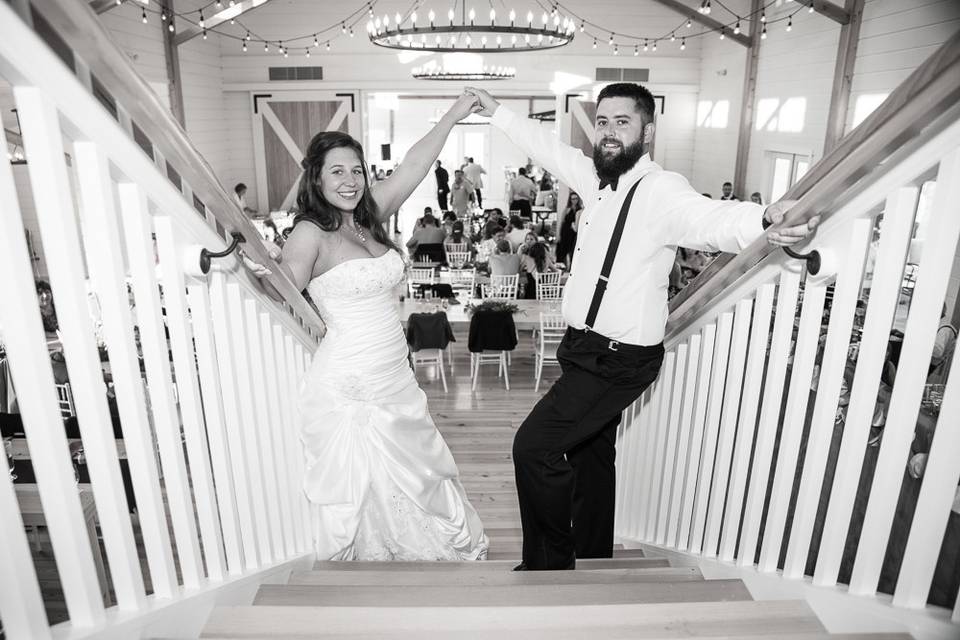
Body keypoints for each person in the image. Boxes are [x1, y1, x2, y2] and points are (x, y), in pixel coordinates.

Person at [467, 83, 819, 571]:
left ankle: (549, 566)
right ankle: (591, 556)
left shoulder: (660, 190)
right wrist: (499, 112)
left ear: (647, 131)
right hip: (584, 347)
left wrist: (763, 219)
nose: (609, 133)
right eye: (603, 122)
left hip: (616, 358)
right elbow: (550, 149)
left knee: (533, 447)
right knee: (590, 455)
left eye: (622, 123)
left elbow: (709, 217)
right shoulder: (597, 178)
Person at [244, 92, 488, 561]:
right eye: (337, 171)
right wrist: (263, 271)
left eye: (356, 169)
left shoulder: (368, 219)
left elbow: (415, 165)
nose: (351, 180)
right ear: (315, 177)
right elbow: (287, 288)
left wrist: (453, 115)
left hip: (395, 373)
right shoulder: (309, 232)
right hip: (350, 381)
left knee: (414, 472)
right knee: (366, 484)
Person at [556, 191, 583, 266]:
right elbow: (562, 222)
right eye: (573, 199)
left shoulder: (580, 209)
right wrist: (558, 234)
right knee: (563, 249)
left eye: (576, 199)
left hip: (574, 232)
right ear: (570, 200)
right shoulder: (567, 209)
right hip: (566, 231)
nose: (574, 200)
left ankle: (571, 265)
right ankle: (563, 266)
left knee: (573, 250)